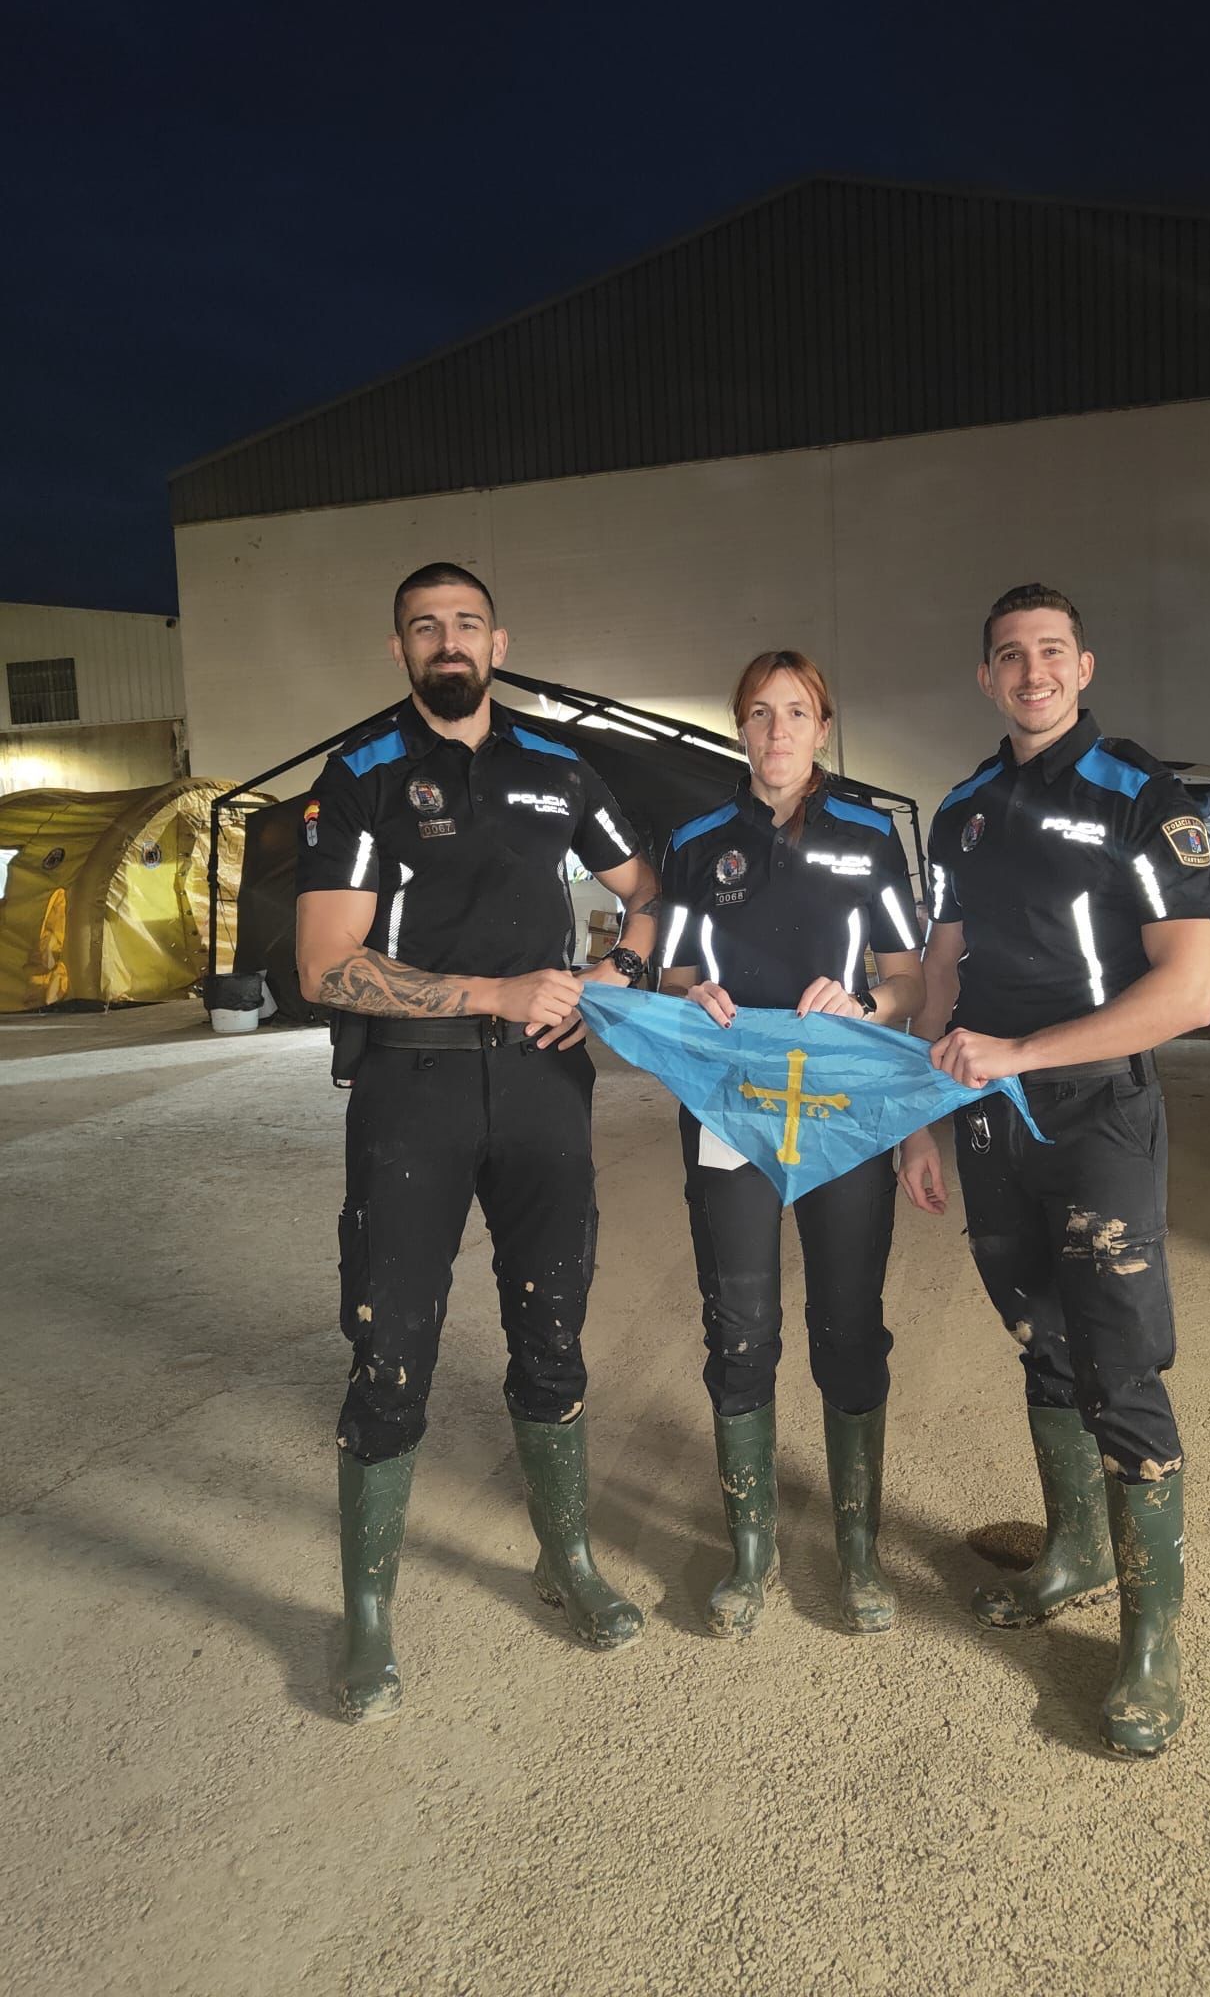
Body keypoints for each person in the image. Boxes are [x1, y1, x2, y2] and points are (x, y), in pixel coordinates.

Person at [295, 561, 660, 1722]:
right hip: (413, 1094)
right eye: (422, 628)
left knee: (552, 1330)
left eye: (464, 624)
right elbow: (325, 963)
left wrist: (609, 975)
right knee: (390, 1351)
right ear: (398, 650)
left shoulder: (558, 768)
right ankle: (367, 1618)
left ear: (498, 639)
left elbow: (652, 888)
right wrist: (494, 993)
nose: (446, 642)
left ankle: (570, 1558)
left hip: (549, 1089)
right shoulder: (360, 778)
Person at [898, 584, 1210, 1756]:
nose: (1030, 671)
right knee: (1040, 1335)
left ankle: (1150, 1640)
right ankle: (1074, 1546)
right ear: (986, 677)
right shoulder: (965, 809)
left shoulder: (1145, 800)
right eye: (1008, 656)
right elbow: (942, 974)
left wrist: (1024, 1051)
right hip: (985, 1118)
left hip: (1094, 1116)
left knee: (1120, 1365)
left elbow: (1189, 990)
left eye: (1050, 652)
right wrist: (917, 1117)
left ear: (1084, 665)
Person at [656, 651, 924, 1637]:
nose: (777, 731)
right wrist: (694, 992)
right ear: (740, 727)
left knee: (850, 1323)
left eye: (797, 712)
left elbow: (910, 982)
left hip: (841, 1107)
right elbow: (673, 967)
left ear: (824, 726)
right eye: (760, 713)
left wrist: (866, 1003)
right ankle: (752, 1549)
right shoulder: (695, 841)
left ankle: (856, 1549)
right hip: (732, 1108)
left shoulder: (866, 838)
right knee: (741, 1324)